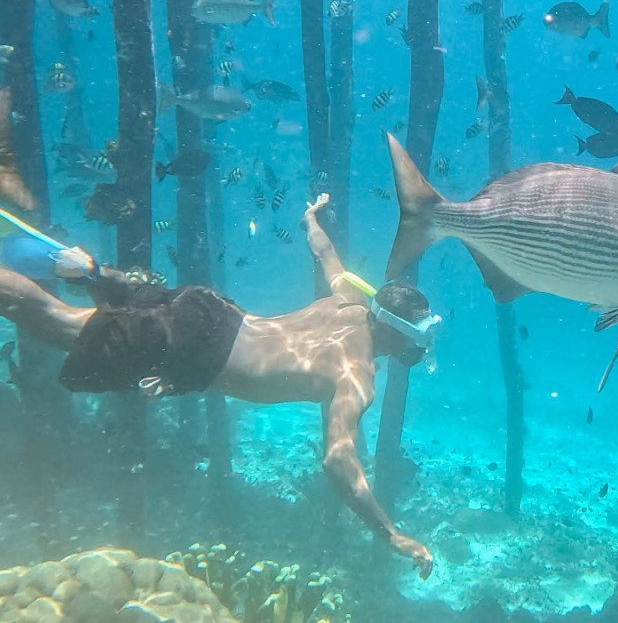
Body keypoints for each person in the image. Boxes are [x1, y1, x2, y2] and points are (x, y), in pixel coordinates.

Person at [0, 194, 439, 578]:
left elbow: (324, 253)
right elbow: (337, 460)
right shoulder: (357, 374)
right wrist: (390, 533)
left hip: (210, 311)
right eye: (422, 334)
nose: (423, 345)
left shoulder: (349, 300)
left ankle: (95, 275)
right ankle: (84, 277)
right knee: (53, 319)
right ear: (397, 332)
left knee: (92, 312)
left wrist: (311, 219)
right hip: (194, 350)